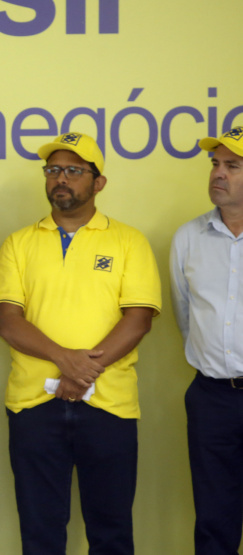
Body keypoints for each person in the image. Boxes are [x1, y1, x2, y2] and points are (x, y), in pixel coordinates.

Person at [0, 132, 161, 554]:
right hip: (34, 407)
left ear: (98, 183)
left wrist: (82, 375)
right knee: (40, 534)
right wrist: (68, 363)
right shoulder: (19, 243)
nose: (60, 179)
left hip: (110, 406)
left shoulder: (128, 241)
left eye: (74, 171)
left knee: (111, 532)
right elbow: (8, 321)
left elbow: (137, 320)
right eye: (53, 170)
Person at [171, 126, 243, 554]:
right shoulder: (187, 239)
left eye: (232, 166)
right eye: (215, 164)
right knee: (214, 520)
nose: (218, 174)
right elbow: (185, 315)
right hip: (212, 396)